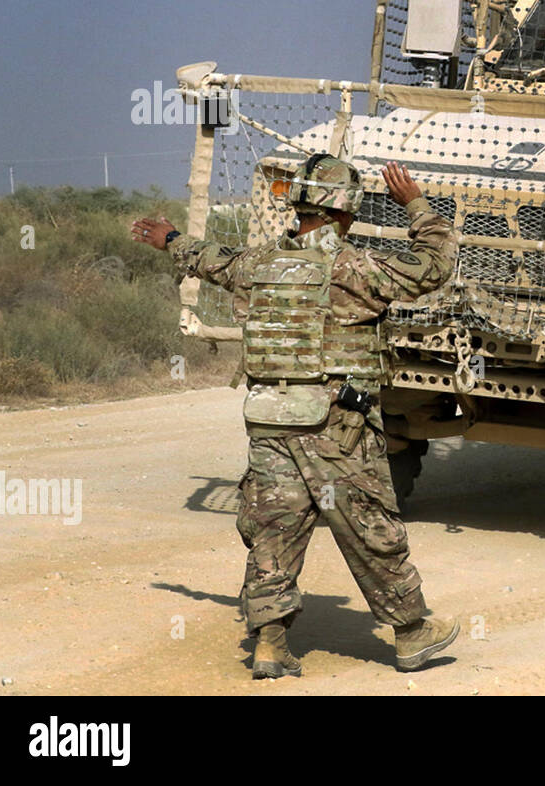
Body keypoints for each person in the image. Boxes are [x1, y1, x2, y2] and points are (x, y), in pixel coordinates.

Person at [131, 154, 459, 679]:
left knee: (274, 529)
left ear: (300, 205)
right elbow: (436, 266)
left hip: (270, 420)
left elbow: (213, 259)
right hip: (336, 425)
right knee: (368, 523)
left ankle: (270, 644)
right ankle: (412, 632)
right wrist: (416, 205)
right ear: (344, 211)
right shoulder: (353, 267)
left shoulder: (261, 264)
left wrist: (170, 240)